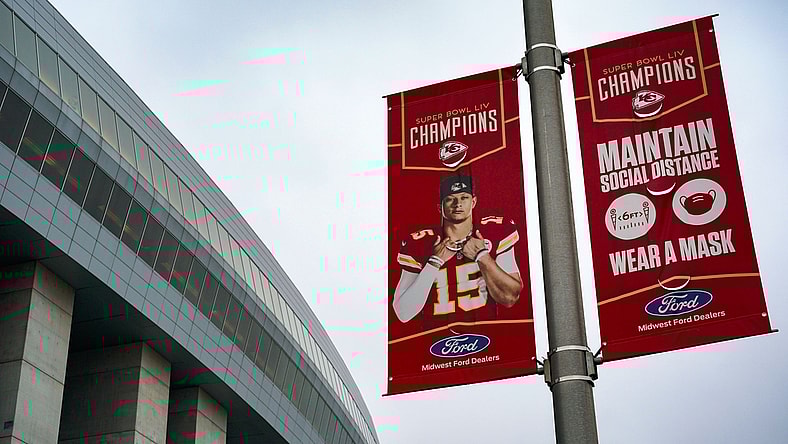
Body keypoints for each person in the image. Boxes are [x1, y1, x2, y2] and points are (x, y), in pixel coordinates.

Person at [393, 174, 523, 323]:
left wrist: (483, 257)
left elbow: (510, 297)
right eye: (450, 199)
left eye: (464, 197)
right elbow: (403, 313)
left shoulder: (496, 231)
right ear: (439, 207)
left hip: (488, 330)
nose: (457, 204)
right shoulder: (419, 243)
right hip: (437, 336)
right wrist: (434, 262)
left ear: (473, 201)